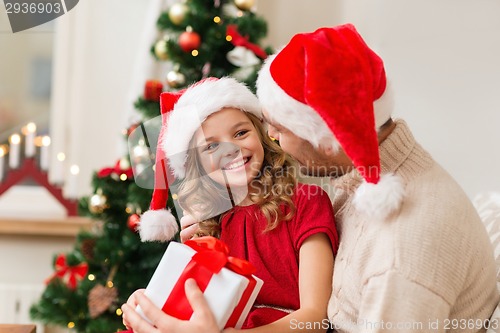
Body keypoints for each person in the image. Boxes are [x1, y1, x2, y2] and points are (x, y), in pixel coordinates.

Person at [181, 23, 500, 332]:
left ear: (325, 138)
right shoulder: (362, 180)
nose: (272, 137)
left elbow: (313, 315)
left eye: (281, 128)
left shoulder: (399, 259)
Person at [121, 77, 339, 333]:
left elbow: (316, 317)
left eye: (240, 133)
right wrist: (147, 302)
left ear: (261, 135)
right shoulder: (204, 223)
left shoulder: (305, 202)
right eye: (211, 145)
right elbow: (194, 307)